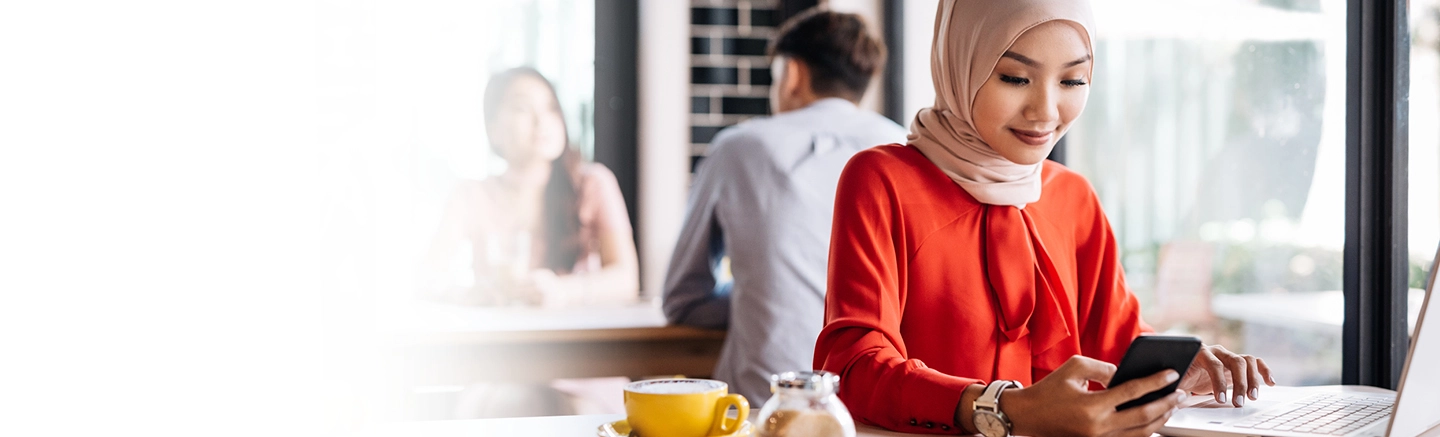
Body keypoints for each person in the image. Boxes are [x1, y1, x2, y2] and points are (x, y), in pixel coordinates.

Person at [813, 1, 1276, 436]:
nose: (1046, 112)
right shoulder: (883, 180)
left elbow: (1116, 340)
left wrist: (1178, 369)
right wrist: (1004, 409)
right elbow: (853, 367)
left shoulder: (1072, 197)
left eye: (1073, 81)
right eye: (1015, 78)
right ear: (960, 63)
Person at [662, 8, 907, 405]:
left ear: (792, 73)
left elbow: (682, 298)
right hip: (880, 407)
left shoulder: (740, 148)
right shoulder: (902, 149)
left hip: (765, 410)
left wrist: (763, 293)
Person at [425, 67, 639, 307]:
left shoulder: (593, 183)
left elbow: (626, 279)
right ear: (493, 129)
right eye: (522, 108)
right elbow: (429, 276)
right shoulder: (471, 195)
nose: (542, 121)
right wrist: (466, 295)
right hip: (500, 338)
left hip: (578, 338)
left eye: (551, 108)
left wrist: (563, 290)